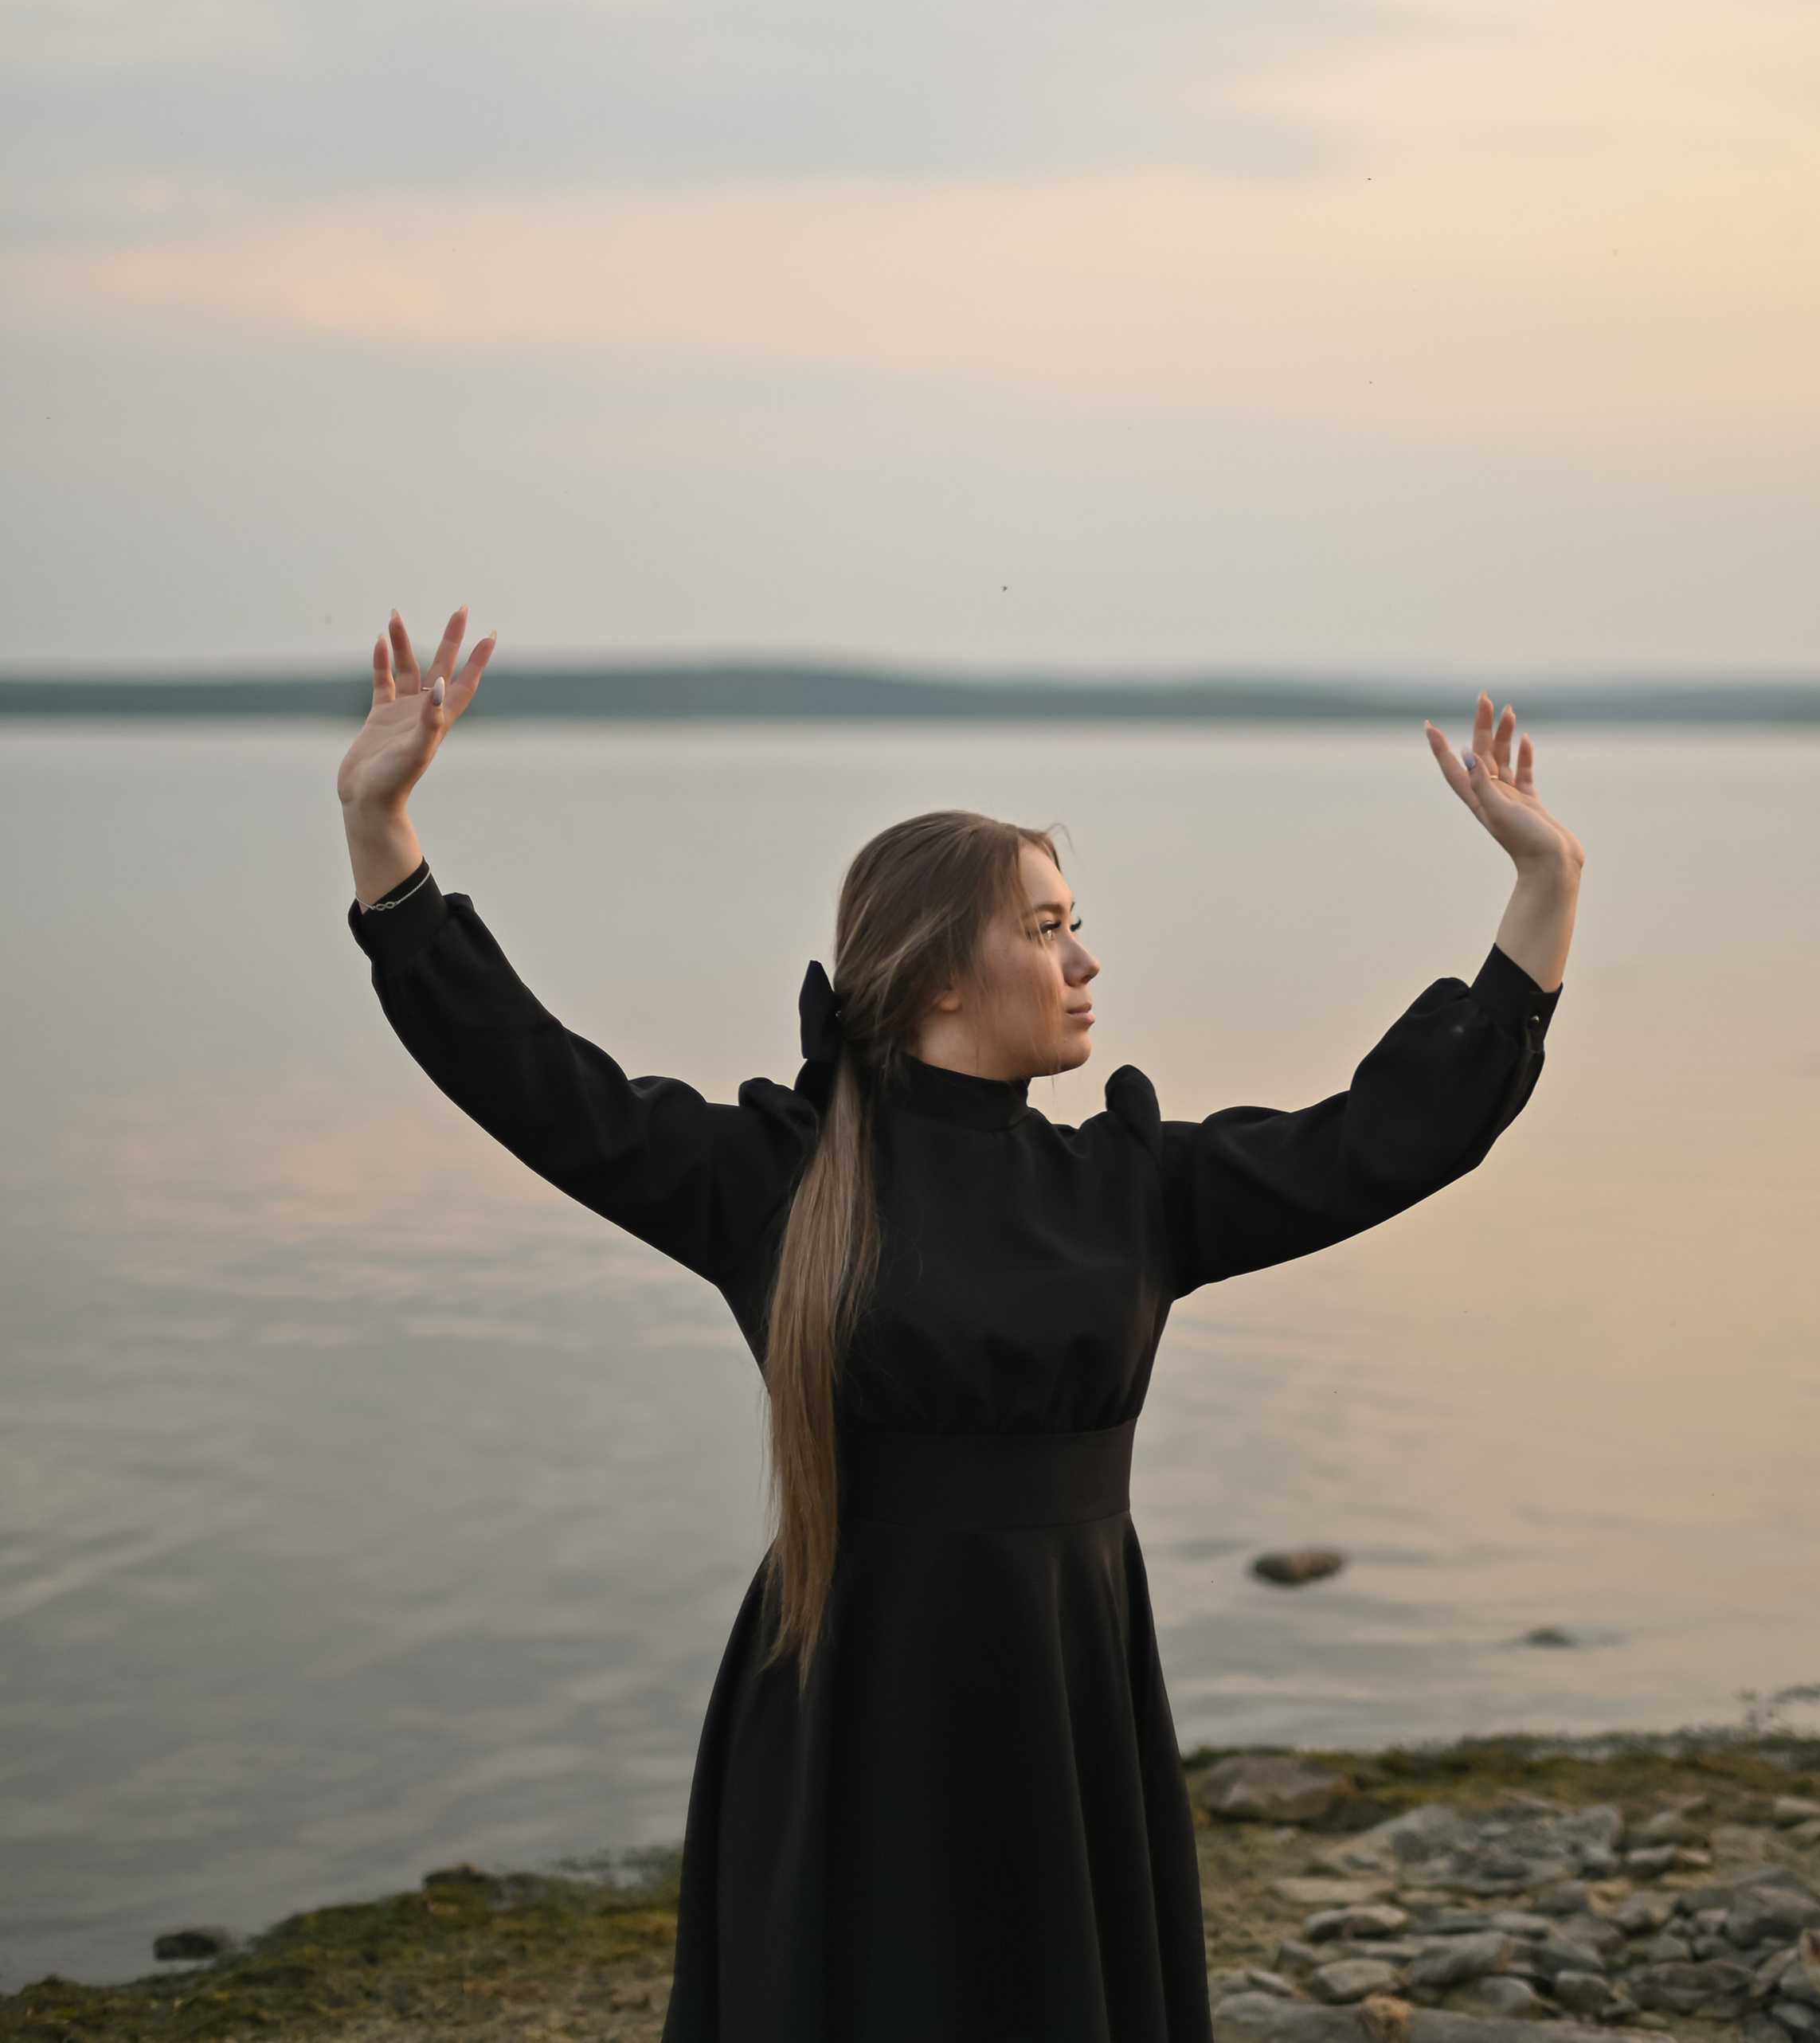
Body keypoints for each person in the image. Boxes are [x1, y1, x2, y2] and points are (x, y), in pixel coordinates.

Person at [339, 605, 1583, 2043]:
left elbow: (1383, 1138)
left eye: (1077, 926)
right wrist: (384, 834)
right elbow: (533, 1079)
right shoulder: (779, 1179)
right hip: (849, 1709)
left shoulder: (1129, 1185)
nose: (1085, 961)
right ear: (938, 973)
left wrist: (1545, 886)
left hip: (1068, 1705)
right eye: (1047, 930)